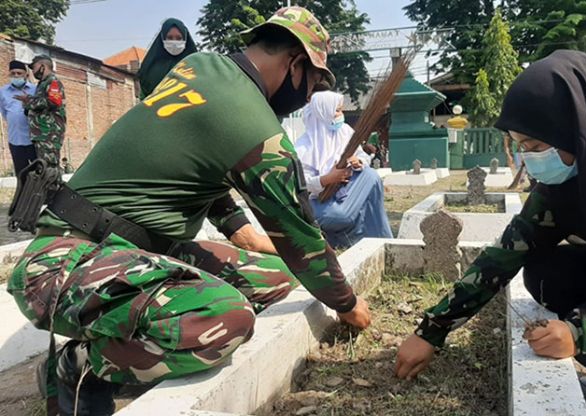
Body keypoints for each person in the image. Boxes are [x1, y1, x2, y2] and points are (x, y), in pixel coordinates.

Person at [7, 7, 370, 416]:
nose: (308, 96)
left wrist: (242, 233)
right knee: (223, 319)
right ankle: (79, 367)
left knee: (278, 280)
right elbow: (302, 240)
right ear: (295, 63)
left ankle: (114, 349)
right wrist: (347, 303)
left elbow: (201, 161)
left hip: (126, 247)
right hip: (63, 265)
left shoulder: (202, 67)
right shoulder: (254, 124)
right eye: (314, 82)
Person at [395, 50, 586, 414]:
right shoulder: (570, 176)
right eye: (522, 147)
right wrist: (432, 329)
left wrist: (578, 331)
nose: (531, 160)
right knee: (547, 274)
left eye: (537, 147)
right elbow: (506, 253)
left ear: (577, 127)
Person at [295, 90, 393, 248]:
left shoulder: (345, 131)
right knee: (339, 216)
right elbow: (300, 185)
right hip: (319, 203)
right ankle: (342, 237)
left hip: (346, 192)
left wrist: (359, 161)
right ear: (323, 112)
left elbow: (363, 155)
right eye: (337, 110)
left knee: (371, 176)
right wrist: (327, 179)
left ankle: (381, 238)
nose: (341, 114)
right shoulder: (304, 146)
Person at [14, 55, 65, 170]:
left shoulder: (53, 81)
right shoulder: (42, 84)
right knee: (43, 168)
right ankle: (48, 188)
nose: (32, 71)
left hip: (49, 134)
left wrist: (29, 101)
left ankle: (54, 188)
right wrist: (28, 105)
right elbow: (41, 104)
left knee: (49, 168)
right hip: (41, 133)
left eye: (34, 67)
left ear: (43, 66)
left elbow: (54, 101)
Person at [137, 18, 197, 99]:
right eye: (170, 37)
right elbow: (144, 99)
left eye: (179, 38)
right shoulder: (150, 69)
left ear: (186, 39)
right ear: (162, 39)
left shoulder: (195, 65)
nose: (174, 42)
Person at [0, 60, 36, 175]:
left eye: (19, 73)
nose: (16, 76)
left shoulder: (35, 90)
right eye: (13, 73)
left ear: (26, 74)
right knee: (21, 174)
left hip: (34, 140)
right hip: (15, 140)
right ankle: (24, 193)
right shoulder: (3, 92)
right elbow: (4, 113)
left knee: (39, 173)